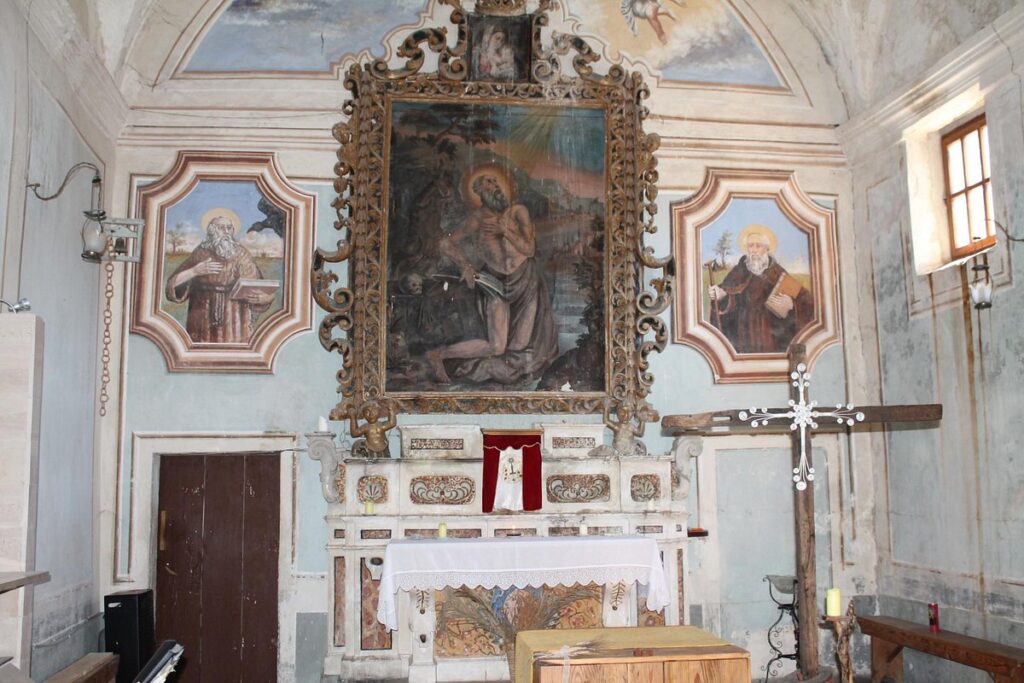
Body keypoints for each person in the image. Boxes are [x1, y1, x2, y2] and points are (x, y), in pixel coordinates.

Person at [425, 169, 558, 384]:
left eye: (496, 181)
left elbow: (530, 250)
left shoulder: (518, 212)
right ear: (478, 192)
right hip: (493, 281)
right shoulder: (477, 219)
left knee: (519, 345)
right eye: (488, 182)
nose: (494, 185)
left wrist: (505, 230)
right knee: (497, 347)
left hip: (525, 280)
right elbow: (444, 243)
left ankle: (502, 378)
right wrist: (465, 267)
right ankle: (438, 355)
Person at [165, 212, 275, 343]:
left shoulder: (242, 254)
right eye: (221, 227)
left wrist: (263, 298)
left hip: (236, 319)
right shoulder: (201, 252)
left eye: (229, 227)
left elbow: (262, 289)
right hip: (202, 317)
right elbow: (172, 285)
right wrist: (194, 271)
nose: (226, 231)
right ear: (212, 230)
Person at [707, 225, 813, 354]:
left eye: (759, 246)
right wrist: (721, 294)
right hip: (743, 332)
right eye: (751, 246)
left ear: (767, 249)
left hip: (770, 333)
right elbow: (728, 291)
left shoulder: (777, 272)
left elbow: (806, 300)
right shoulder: (739, 270)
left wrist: (791, 304)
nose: (754, 250)